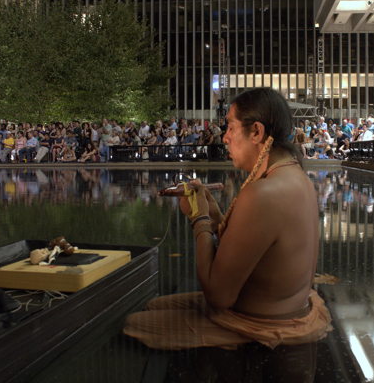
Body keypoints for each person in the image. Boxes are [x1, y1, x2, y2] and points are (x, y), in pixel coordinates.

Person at [124, 87, 331, 350]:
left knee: (133, 323)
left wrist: (199, 219)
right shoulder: (296, 176)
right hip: (290, 308)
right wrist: (214, 216)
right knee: (154, 305)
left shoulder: (263, 193)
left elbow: (218, 296)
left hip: (263, 324)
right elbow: (256, 249)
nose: (225, 137)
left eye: (231, 127)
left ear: (256, 132)